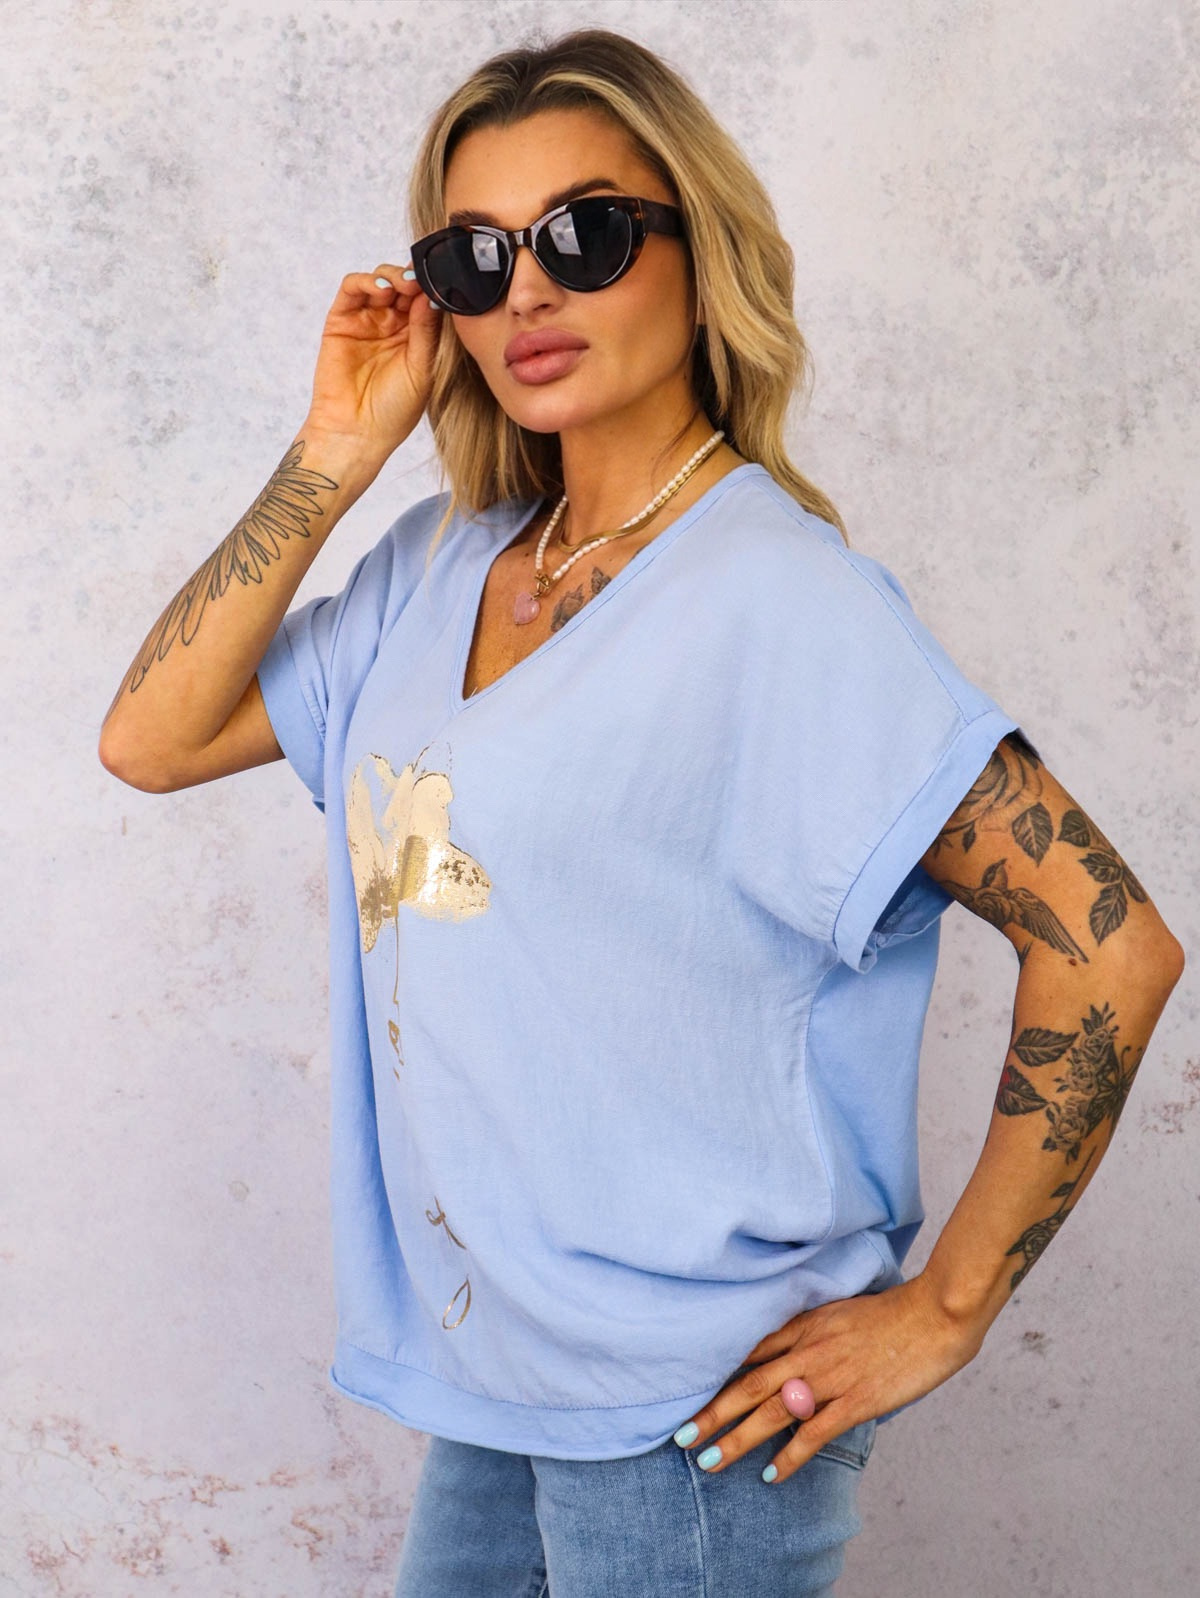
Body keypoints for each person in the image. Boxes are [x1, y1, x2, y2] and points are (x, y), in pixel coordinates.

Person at [98, 26, 1184, 1598]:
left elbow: (1111, 941)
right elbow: (150, 737)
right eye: (476, 258)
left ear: (698, 253)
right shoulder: (439, 564)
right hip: (501, 1375)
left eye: (587, 234)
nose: (527, 292)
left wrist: (945, 1307)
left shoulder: (783, 605)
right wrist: (337, 449)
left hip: (696, 1409)